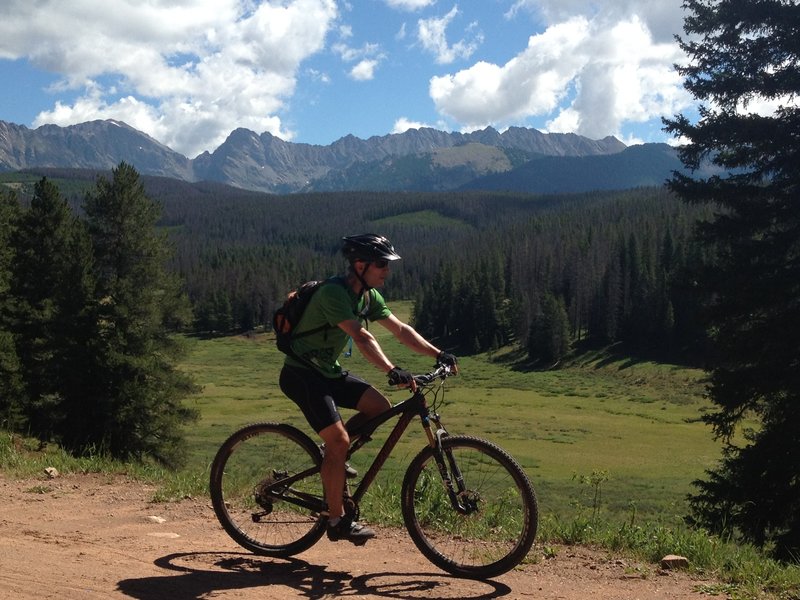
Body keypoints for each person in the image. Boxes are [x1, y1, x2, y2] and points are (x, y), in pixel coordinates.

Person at [279, 233, 458, 544]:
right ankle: (335, 520)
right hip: (302, 374)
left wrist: (438, 353)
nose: (386, 270)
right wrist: (391, 370)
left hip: (327, 372)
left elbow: (401, 330)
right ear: (359, 265)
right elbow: (362, 338)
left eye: (387, 264)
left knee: (379, 407)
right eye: (380, 264)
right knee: (339, 439)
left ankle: (331, 455)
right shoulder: (333, 294)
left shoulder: (367, 296)